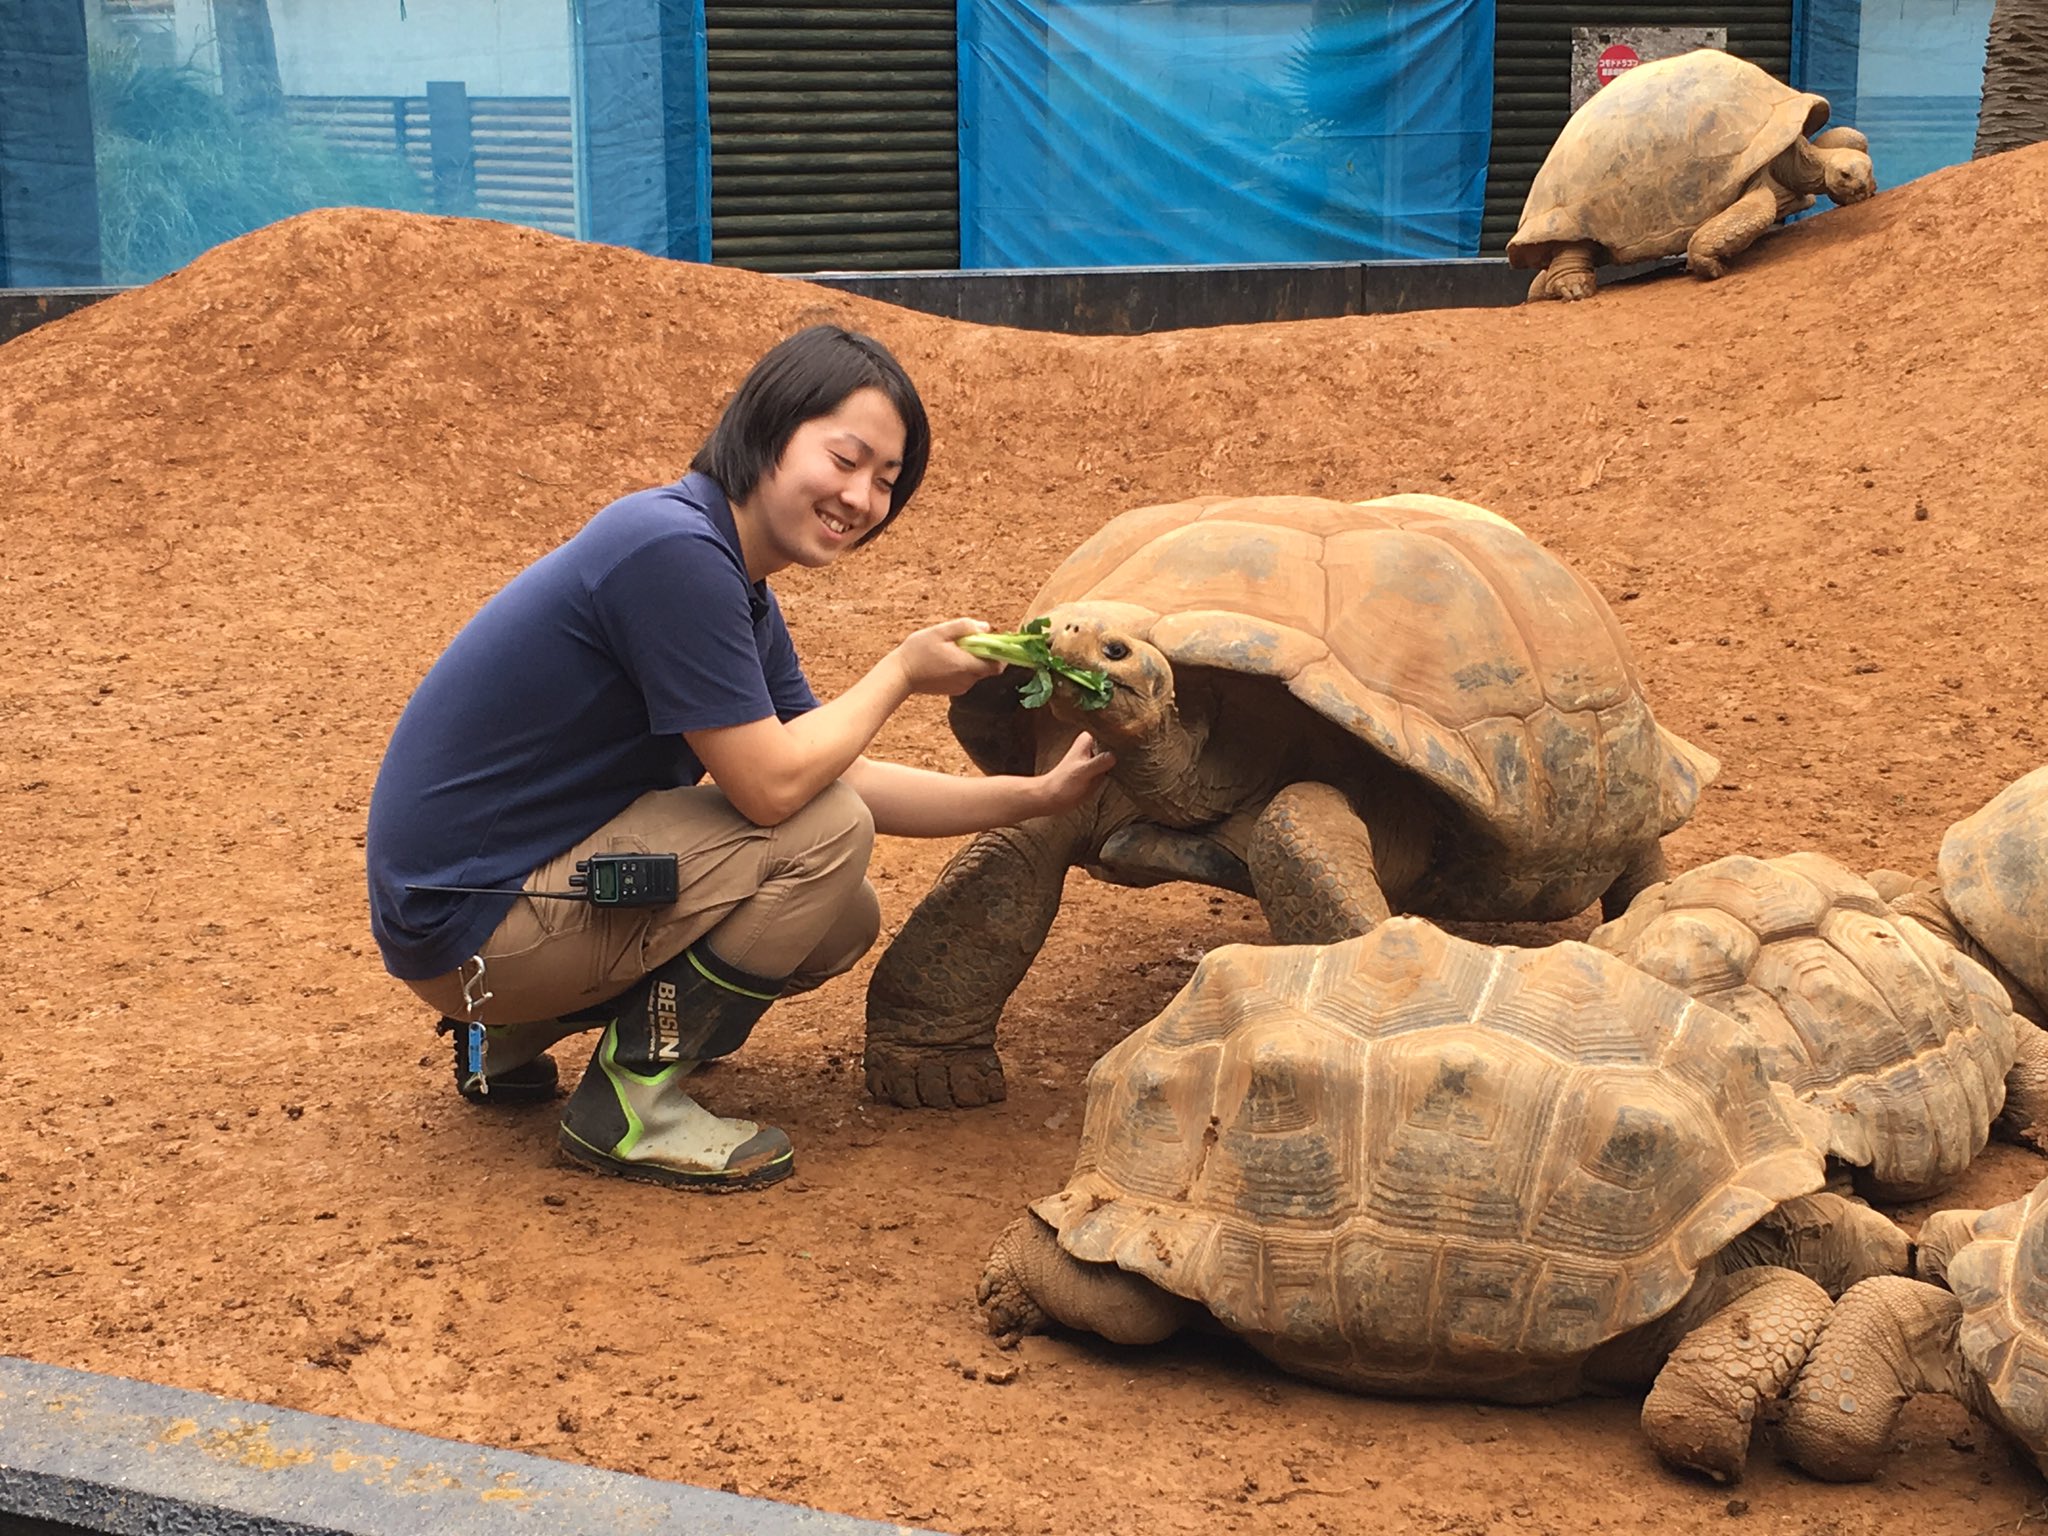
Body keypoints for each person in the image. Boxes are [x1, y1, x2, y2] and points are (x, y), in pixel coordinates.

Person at [365, 324, 1114, 1193]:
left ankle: (510, 1034)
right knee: (823, 836)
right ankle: (629, 1105)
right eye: (845, 458)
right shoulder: (672, 553)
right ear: (769, 426)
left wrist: (1036, 795)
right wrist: (903, 670)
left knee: (840, 914)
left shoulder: (729, 580)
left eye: (886, 481)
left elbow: (832, 770)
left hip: (479, 918)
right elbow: (775, 791)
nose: (862, 497)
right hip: (472, 933)